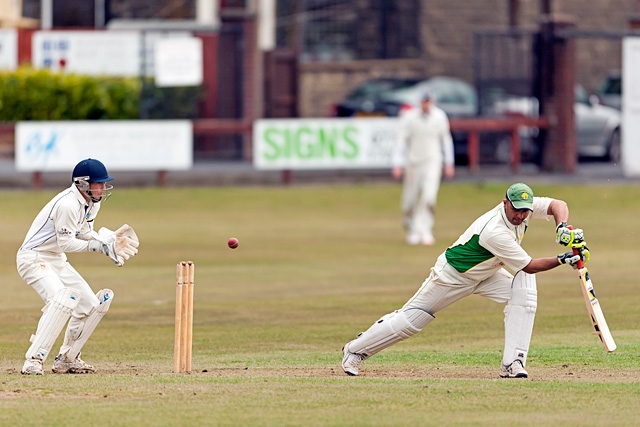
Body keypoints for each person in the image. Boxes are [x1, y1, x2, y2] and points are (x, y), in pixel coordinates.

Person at [341, 183, 589, 378]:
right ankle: (356, 350)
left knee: (523, 291)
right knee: (413, 319)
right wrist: (564, 258)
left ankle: (513, 362)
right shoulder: (495, 231)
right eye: (516, 210)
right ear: (505, 204)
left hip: (487, 273)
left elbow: (559, 204)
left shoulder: (525, 207)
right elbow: (530, 265)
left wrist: (562, 227)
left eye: (525, 210)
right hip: (453, 275)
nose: (521, 215)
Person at [17, 158, 139, 375]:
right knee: (62, 300)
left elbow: (82, 232)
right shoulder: (67, 204)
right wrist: (100, 247)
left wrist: (106, 240)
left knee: (89, 305)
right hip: (33, 258)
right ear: (83, 183)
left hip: (55, 258)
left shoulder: (92, 202)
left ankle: (67, 359)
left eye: (104, 183)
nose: (103, 188)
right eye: (98, 183)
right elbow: (67, 242)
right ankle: (34, 360)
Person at [391, 90, 455, 246]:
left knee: (428, 197)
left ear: (432, 101)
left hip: (433, 161)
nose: (425, 103)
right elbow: (401, 141)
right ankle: (412, 229)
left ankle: (425, 229)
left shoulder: (440, 116)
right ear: (419, 101)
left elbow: (446, 140)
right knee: (409, 200)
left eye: (428, 101)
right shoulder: (410, 117)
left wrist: (449, 162)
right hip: (413, 162)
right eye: (423, 100)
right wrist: (397, 163)